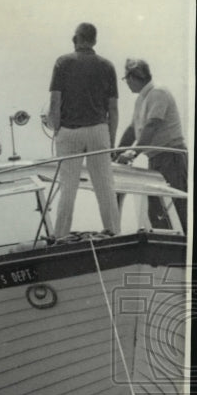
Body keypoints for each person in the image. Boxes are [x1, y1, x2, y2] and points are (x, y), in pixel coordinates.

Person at [48, 22, 120, 238]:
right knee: (105, 187)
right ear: (94, 40)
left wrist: (56, 128)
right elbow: (113, 109)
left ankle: (61, 235)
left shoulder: (63, 62)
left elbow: (54, 102)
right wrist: (111, 140)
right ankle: (115, 233)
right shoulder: (107, 66)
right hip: (99, 130)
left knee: (68, 187)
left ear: (76, 38)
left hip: (70, 131)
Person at [115, 58, 188, 231]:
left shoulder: (158, 92)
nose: (127, 84)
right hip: (155, 159)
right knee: (156, 209)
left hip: (171, 157)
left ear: (132, 77)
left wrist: (132, 153)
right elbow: (133, 129)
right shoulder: (141, 99)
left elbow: (152, 125)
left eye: (126, 79)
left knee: (177, 207)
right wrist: (116, 153)